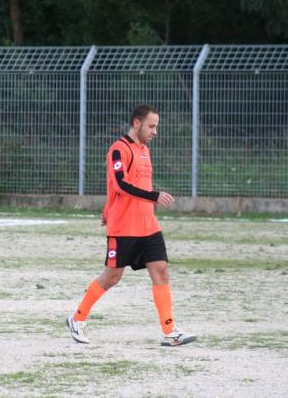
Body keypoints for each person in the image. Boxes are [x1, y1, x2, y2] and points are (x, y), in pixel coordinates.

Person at [66, 104, 196, 347]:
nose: (155, 131)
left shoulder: (145, 150)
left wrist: (111, 207)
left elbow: (136, 184)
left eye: (156, 126)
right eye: (151, 126)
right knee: (112, 277)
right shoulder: (119, 149)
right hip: (124, 227)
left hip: (148, 225)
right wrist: (152, 197)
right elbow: (120, 184)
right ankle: (77, 318)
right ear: (137, 123)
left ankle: (170, 331)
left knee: (161, 271)